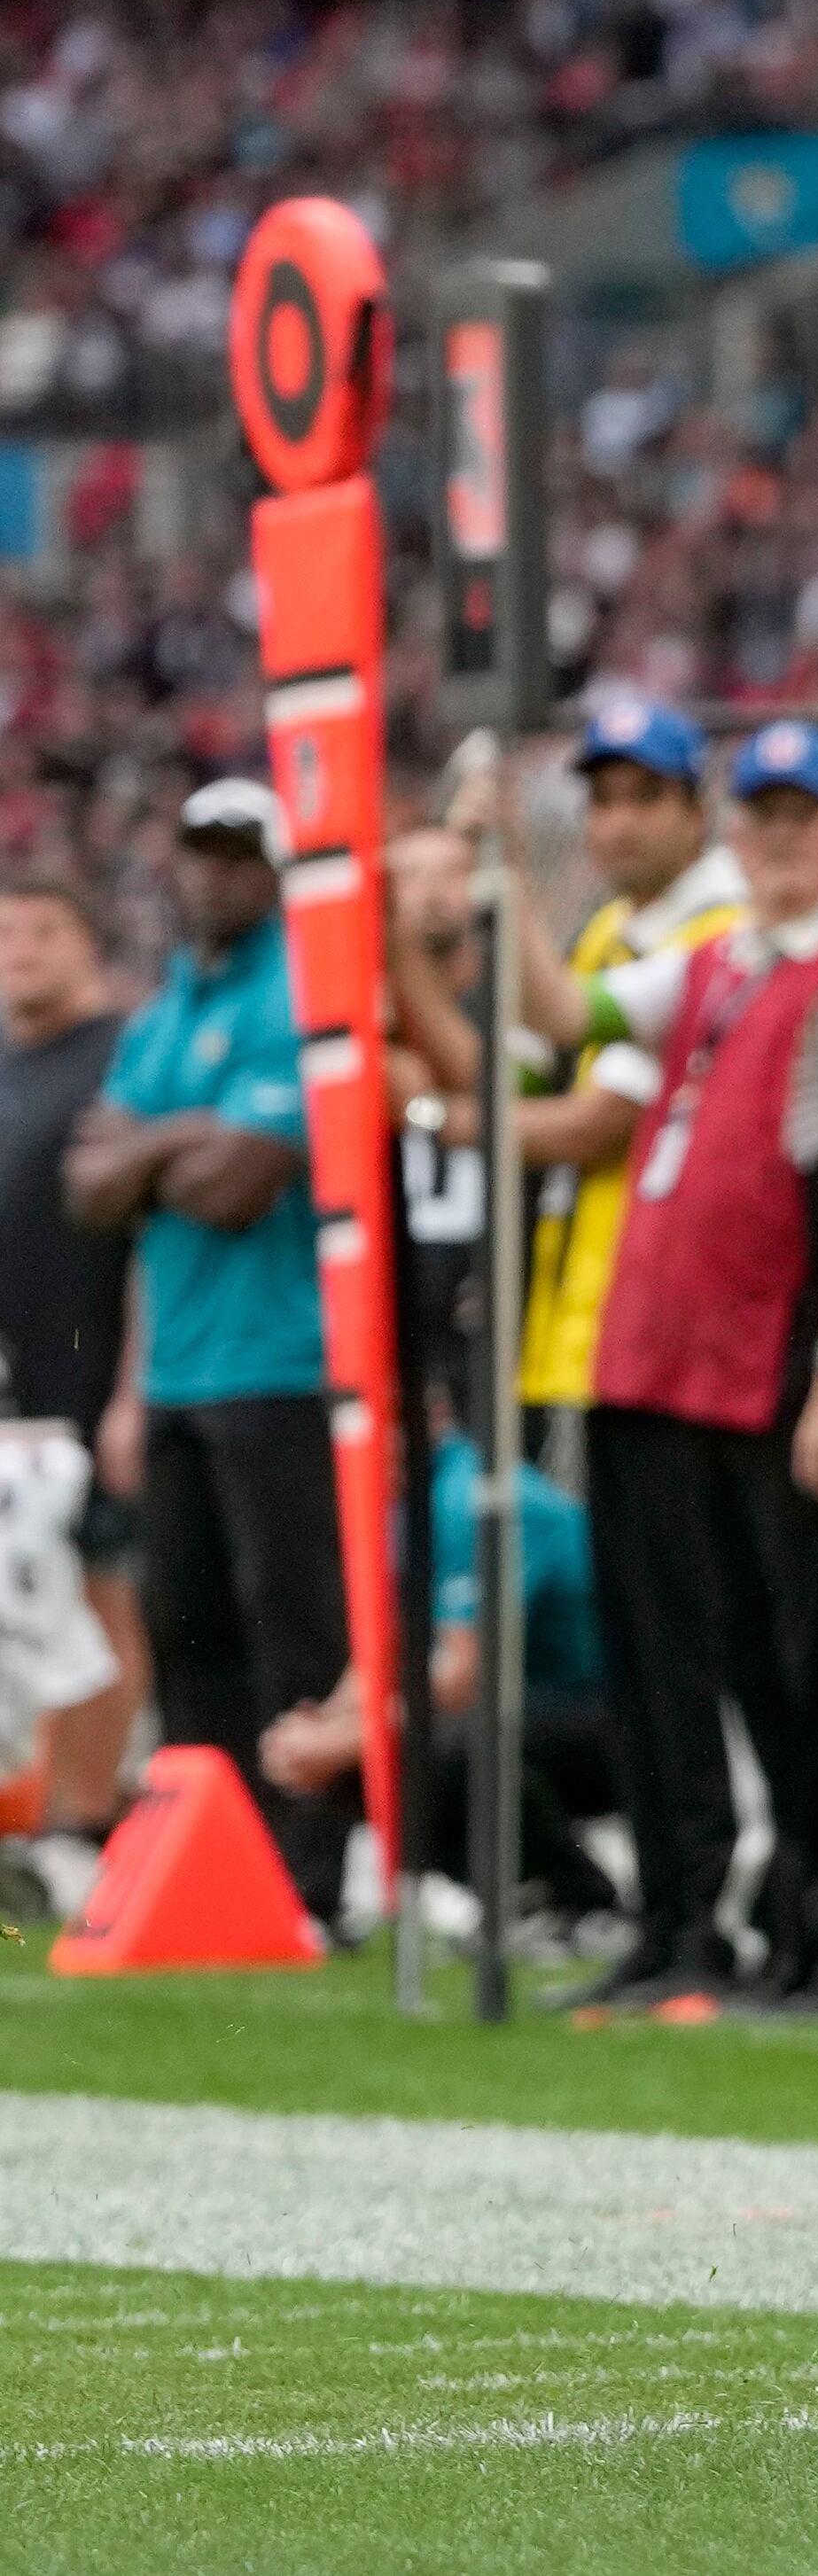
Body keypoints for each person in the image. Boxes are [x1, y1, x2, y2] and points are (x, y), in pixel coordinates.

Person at [560, 720, 818, 2019]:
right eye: (762, 816)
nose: (781, 837)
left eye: (803, 816)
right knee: (779, 1658)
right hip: (758, 1343)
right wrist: (492, 884)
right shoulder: (730, 958)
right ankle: (808, 1936)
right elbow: (567, 1014)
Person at [61, 782, 347, 1911]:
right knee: (186, 1635)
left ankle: (314, 1872)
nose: (214, 874)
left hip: (280, 1358)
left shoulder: (296, 986)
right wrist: (194, 1134)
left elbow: (235, 1189)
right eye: (199, 853)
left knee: (293, 1635)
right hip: (178, 1363)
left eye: (238, 856)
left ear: (276, 872)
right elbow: (83, 1188)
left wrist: (155, 1142)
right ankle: (212, 1869)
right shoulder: (169, 1001)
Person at [255, 1429, 625, 1941]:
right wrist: (322, 1728)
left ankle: (573, 1896)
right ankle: (518, 1890)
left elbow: (460, 1674)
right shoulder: (411, 1498)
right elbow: (385, 1644)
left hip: (615, 1718)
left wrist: (342, 1739)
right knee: (363, 1759)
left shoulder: (471, 1496)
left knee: (444, 1745)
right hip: (539, 1710)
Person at [513, 698, 749, 1475]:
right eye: (603, 800)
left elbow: (591, 1126)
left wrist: (431, 1113)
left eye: (646, 798)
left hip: (666, 1326)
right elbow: (529, 1070)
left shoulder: (716, 937)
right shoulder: (611, 929)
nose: (618, 823)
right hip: (596, 1314)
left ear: (697, 812)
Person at [0, 870, 146, 1905]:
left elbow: (144, 1236)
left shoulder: (122, 1054)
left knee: (104, 1592)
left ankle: (83, 1818)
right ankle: (43, 1807)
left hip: (93, 1373)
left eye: (45, 930)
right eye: (6, 932)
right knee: (35, 1598)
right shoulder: (8, 1063)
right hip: (17, 1384)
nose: (21, 950)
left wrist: (135, 1387)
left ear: (89, 943)